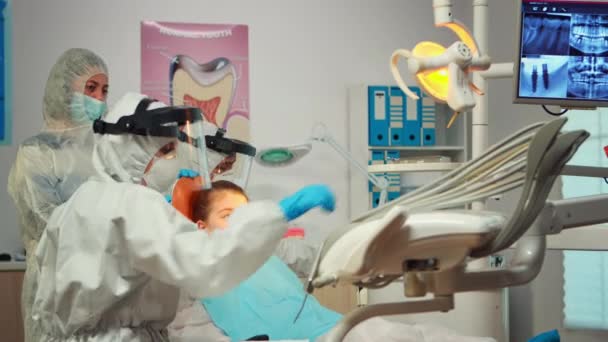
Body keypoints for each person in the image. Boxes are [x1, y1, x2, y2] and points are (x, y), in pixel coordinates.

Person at [32, 92, 336, 341]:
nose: (173, 160)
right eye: (165, 150)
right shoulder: (133, 204)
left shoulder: (74, 206)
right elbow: (207, 261)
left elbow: (40, 303)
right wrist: (277, 214)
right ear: (129, 148)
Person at [169, 180, 498, 342]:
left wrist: (369, 245)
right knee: (388, 336)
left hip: (330, 329)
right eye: (229, 216)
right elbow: (186, 327)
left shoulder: (269, 249)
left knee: (410, 333)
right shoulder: (191, 267)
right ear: (200, 226)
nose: (243, 225)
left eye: (248, 215)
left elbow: (319, 255)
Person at [7, 48, 109, 342]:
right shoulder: (37, 152)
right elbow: (48, 224)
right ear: (63, 90)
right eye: (90, 88)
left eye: (104, 90)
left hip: (101, 283)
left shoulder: (105, 150)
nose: (99, 98)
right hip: (53, 286)